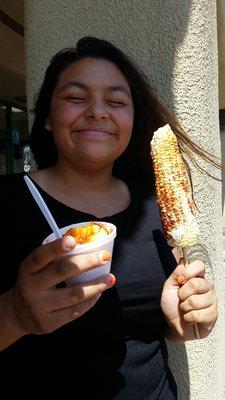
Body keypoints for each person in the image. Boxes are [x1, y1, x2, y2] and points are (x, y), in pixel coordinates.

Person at [0, 37, 218, 399]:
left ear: (132, 122)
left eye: (116, 101)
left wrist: (180, 321)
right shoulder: (6, 201)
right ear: (49, 119)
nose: (98, 111)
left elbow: (159, 318)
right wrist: (12, 315)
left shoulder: (154, 209)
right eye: (75, 97)